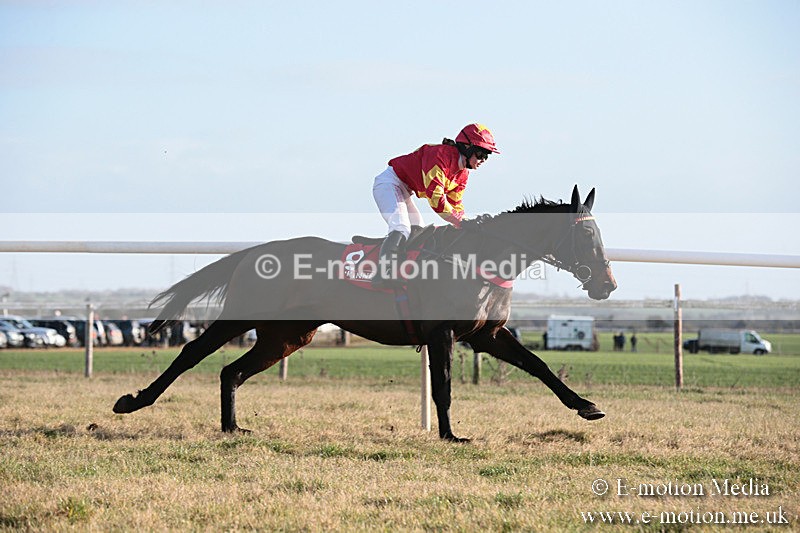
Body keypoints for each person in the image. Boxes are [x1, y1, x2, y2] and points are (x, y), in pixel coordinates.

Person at [371, 123, 500, 287]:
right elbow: (436, 199)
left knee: (418, 229)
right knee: (401, 227)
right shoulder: (439, 156)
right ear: (467, 147)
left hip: (405, 190)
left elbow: (455, 204)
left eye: (487, 156)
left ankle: (401, 271)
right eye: (481, 154)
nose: (483, 160)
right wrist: (461, 222)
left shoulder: (463, 174)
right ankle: (381, 276)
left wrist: (465, 222)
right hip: (389, 184)